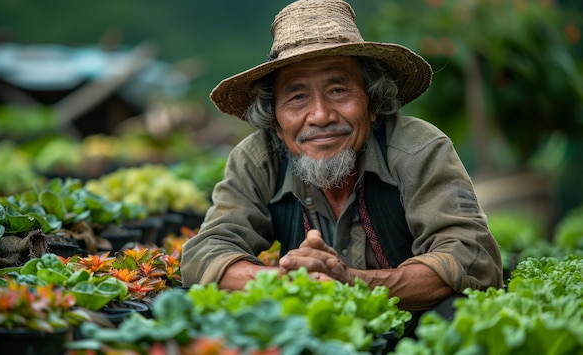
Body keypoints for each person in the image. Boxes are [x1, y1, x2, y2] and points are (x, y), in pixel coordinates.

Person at [181, 0, 503, 315]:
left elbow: (472, 256)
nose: (320, 115)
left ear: (372, 103)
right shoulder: (257, 160)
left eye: (338, 90)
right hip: (307, 336)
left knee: (458, 311)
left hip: (412, 335)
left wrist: (352, 281)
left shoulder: (419, 149)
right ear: (276, 123)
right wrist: (289, 283)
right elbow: (205, 254)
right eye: (297, 97)